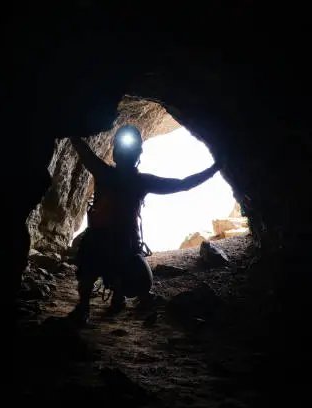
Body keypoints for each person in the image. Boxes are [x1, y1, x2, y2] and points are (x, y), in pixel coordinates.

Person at [68, 125, 222, 323]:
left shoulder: (105, 172)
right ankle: (100, 300)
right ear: (137, 154)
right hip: (122, 242)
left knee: (95, 256)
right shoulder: (138, 181)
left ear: (115, 153)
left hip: (111, 240)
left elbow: (83, 150)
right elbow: (182, 184)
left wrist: (70, 128)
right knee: (101, 256)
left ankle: (95, 302)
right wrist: (215, 168)